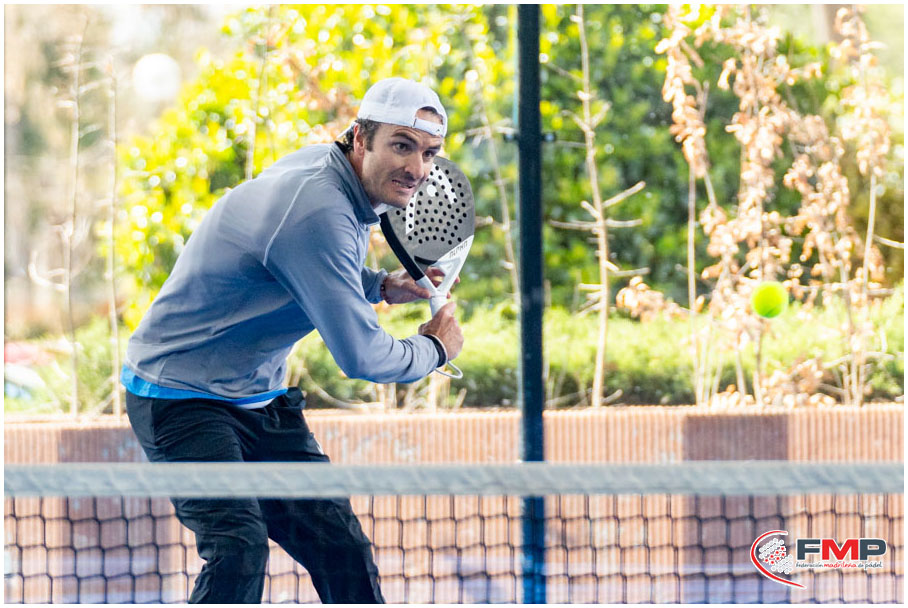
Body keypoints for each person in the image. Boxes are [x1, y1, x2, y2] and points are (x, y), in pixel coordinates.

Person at [122, 77, 464, 604]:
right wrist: (435, 348)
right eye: (402, 145)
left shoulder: (331, 177)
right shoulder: (318, 209)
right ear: (360, 138)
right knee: (238, 549)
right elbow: (363, 356)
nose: (417, 168)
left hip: (258, 401)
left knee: (341, 550)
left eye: (429, 152)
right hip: (180, 399)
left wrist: (379, 285)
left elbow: (291, 267)